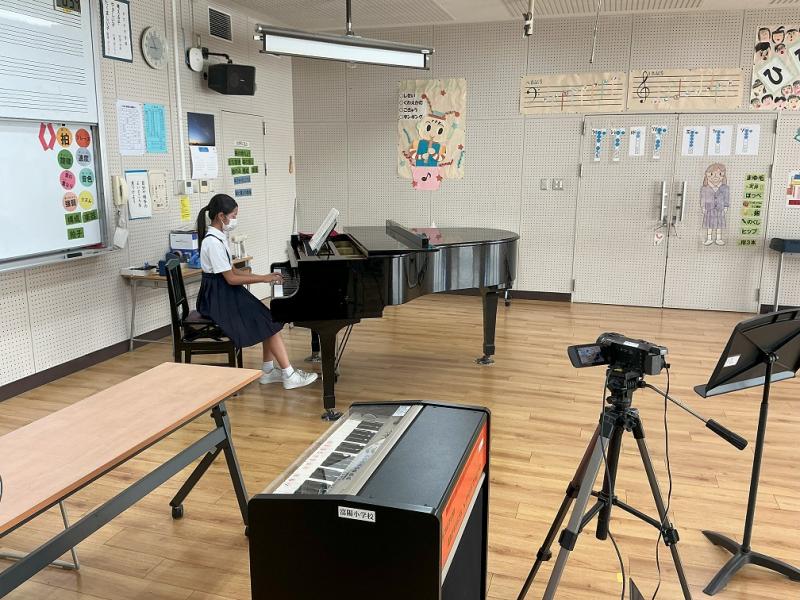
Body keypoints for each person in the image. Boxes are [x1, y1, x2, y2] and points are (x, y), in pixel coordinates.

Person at [196, 194, 317, 389]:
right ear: (221, 216)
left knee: (267, 318)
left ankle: (268, 371)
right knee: (268, 320)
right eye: (233, 215)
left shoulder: (219, 237)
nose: (235, 219)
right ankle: (288, 375)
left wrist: (261, 275)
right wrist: (263, 279)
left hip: (223, 292)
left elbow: (232, 271)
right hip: (217, 298)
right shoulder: (212, 243)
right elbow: (231, 278)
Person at [700, 163, 730, 246]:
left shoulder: (725, 188)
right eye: (712, 174)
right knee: (709, 224)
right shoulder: (705, 188)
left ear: (723, 176)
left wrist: (726, 206)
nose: (715, 177)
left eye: (719, 174)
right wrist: (703, 207)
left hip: (720, 209)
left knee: (719, 224)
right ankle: (709, 238)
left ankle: (718, 238)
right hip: (709, 209)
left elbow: (726, 198)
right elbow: (703, 198)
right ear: (707, 175)